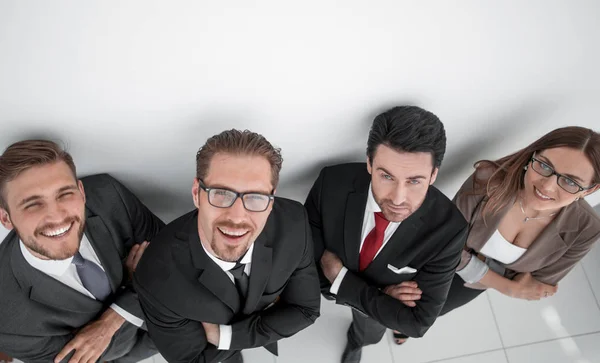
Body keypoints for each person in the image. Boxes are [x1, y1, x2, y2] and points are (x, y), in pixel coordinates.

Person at [134, 129, 321, 363]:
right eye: (221, 194)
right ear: (196, 194)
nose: (237, 217)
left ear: (272, 200)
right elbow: (193, 360)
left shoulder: (294, 223)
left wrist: (226, 336)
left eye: (255, 197)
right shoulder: (156, 279)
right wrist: (274, 314)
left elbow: (306, 310)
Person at [305, 106, 468, 363]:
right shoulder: (331, 183)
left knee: (368, 335)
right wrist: (383, 298)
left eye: (415, 181)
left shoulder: (449, 230)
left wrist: (342, 279)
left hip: (372, 315)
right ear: (369, 163)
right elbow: (307, 265)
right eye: (386, 176)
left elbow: (417, 324)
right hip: (379, 306)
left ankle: (356, 342)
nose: (398, 198)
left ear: (434, 175)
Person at [0, 140, 165, 363]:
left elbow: (177, 260)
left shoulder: (109, 196)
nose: (56, 216)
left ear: (81, 192)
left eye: (64, 194)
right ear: (5, 218)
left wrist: (114, 318)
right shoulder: (7, 321)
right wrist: (141, 284)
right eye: (33, 204)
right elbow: (102, 358)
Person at [440, 126, 600, 315]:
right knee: (406, 299)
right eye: (544, 166)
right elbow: (443, 241)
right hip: (439, 259)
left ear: (589, 190)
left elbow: (539, 284)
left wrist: (470, 262)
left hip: (474, 282)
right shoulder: (488, 178)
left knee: (436, 310)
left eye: (570, 182)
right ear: (532, 156)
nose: (547, 186)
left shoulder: (587, 229)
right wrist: (509, 287)